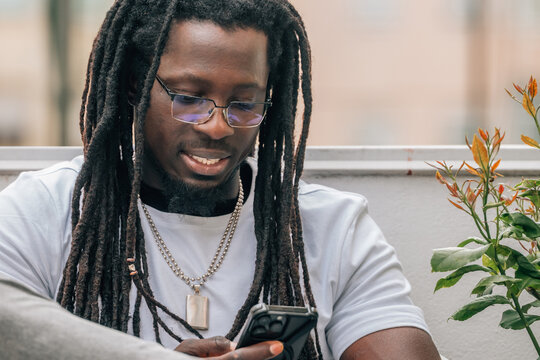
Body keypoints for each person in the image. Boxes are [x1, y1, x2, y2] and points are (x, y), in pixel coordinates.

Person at [0, 0, 441, 359]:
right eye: (190, 99)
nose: (218, 127)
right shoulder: (42, 211)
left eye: (244, 103)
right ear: (134, 86)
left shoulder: (333, 227)